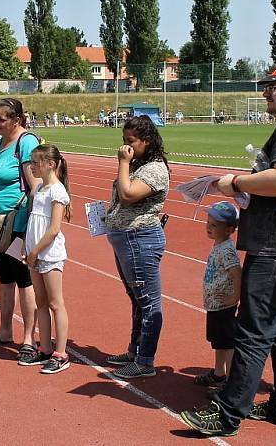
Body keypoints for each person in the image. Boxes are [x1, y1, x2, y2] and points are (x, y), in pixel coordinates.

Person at [181, 62, 276, 436]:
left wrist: (235, 182)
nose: (266, 91)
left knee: (253, 331)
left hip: (275, 248)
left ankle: (228, 413)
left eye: (272, 86)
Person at [0, 98, 41, 364]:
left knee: (23, 278)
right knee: (4, 277)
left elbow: (35, 185)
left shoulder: (26, 143)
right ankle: (4, 330)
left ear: (17, 119)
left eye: (1, 119)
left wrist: (31, 228)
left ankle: (28, 338)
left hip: (17, 223)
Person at [105, 115, 170, 379]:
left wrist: (123, 162)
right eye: (124, 141)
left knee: (148, 301)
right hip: (126, 239)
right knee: (137, 300)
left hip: (140, 239)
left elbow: (128, 194)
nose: (126, 147)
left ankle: (145, 361)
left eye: (131, 142)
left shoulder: (154, 168)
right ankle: (134, 351)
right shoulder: (138, 164)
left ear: (147, 140)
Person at [18, 144, 72, 374]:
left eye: (35, 162)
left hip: (48, 254)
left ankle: (61, 353)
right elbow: (34, 222)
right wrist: (27, 247)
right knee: (40, 302)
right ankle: (46, 348)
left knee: (55, 303)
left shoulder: (57, 191)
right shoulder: (39, 188)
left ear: (50, 164)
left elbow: (53, 229)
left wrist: (34, 252)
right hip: (35, 253)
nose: (31, 166)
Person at [195, 202, 242, 393]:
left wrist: (234, 298)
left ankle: (230, 382)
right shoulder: (219, 245)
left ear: (230, 229)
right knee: (219, 342)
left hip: (224, 305)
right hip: (215, 304)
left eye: (214, 225)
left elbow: (237, 273)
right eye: (208, 222)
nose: (208, 227)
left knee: (227, 342)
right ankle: (218, 373)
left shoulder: (227, 250)